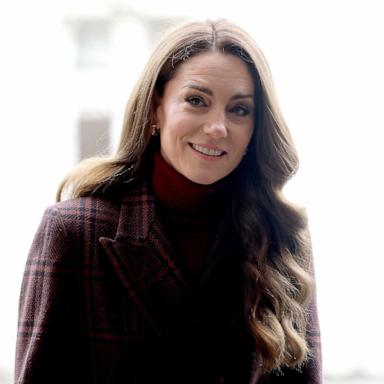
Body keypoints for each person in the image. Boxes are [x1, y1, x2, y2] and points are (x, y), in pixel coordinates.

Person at [15, 19, 322, 384]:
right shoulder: (75, 232)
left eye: (239, 109)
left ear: (256, 127)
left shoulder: (282, 236)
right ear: (155, 108)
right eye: (197, 101)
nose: (217, 127)